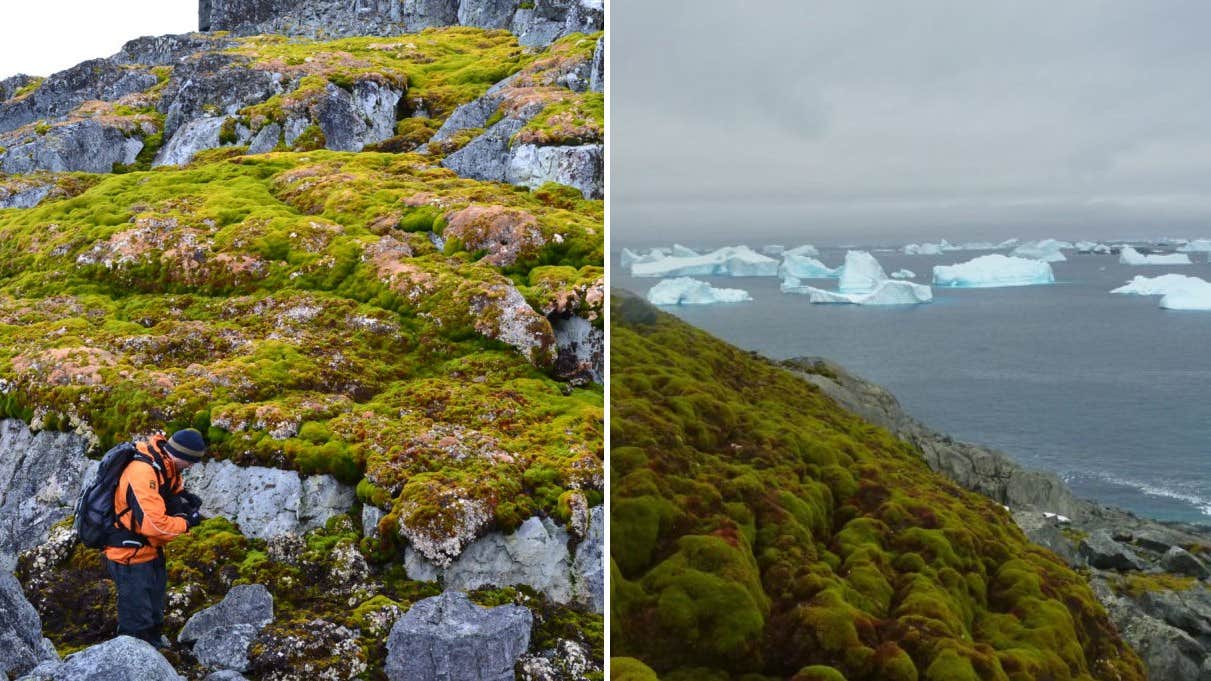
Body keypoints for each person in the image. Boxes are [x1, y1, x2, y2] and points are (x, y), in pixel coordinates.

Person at [103, 428, 207, 648]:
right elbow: (154, 526)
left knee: (154, 613)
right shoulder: (143, 472)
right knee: (136, 623)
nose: (191, 467)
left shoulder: (166, 466)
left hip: (150, 551)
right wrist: (186, 523)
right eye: (191, 462)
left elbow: (171, 493)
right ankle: (132, 661)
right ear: (182, 456)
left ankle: (155, 651)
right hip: (129, 555)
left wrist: (184, 502)